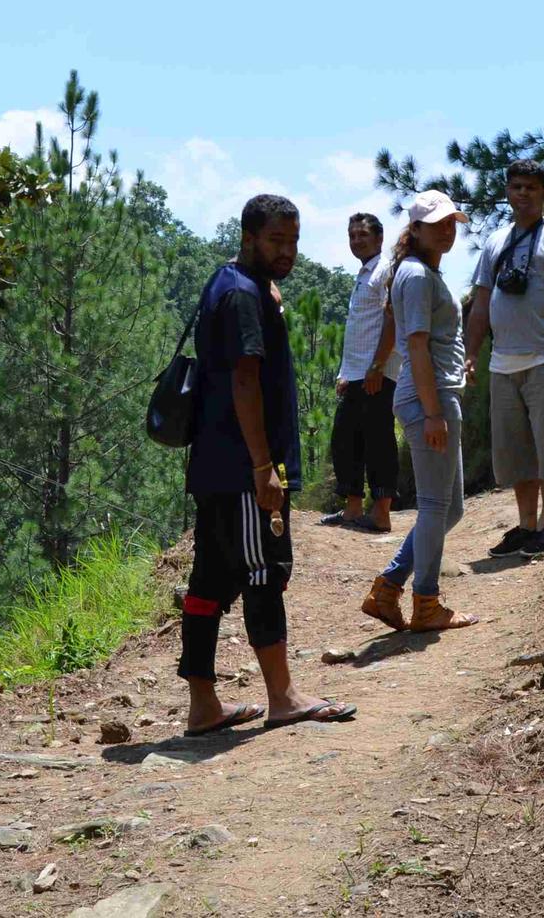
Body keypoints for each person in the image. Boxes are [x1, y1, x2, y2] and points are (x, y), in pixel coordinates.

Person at [178, 194, 356, 734]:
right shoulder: (242, 297)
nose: (288, 251)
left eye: (294, 241)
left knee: (208, 581)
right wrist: (263, 467)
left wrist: (268, 295)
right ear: (249, 237)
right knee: (264, 572)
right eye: (276, 240)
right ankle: (282, 697)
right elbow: (245, 380)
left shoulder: (232, 284)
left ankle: (204, 707)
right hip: (241, 470)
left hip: (214, 465)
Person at [359, 190, 481, 633]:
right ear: (416, 229)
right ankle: (425, 603)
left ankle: (389, 588)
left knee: (449, 510)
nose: (448, 230)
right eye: (438, 223)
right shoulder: (415, 275)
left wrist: (456, 368)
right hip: (428, 400)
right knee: (434, 506)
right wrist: (433, 412)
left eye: (452, 222)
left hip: (438, 393)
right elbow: (414, 346)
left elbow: (430, 343)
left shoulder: (421, 273)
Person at [464, 159, 544, 559]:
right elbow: (481, 302)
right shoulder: (495, 242)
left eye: (531, 188)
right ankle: (525, 526)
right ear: (507, 191)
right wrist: (470, 353)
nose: (522, 194)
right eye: (516, 187)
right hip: (503, 363)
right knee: (516, 451)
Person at [322, 212, 400, 532]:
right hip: (355, 372)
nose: (356, 241)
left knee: (378, 440)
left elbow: (392, 320)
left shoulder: (385, 270)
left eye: (363, 235)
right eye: (352, 235)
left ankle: (381, 513)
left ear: (379, 238)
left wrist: (378, 365)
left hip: (376, 372)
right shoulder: (362, 274)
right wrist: (345, 371)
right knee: (345, 439)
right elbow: (358, 328)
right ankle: (352, 509)